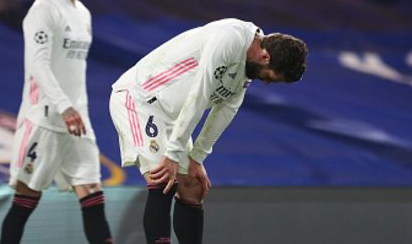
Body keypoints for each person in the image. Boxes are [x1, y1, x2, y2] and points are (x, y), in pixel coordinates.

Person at [109, 19, 307, 243]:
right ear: (265, 57)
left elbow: (227, 109)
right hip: (139, 101)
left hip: (172, 115)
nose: (267, 83)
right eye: (270, 77)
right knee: (163, 180)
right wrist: (172, 154)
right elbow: (199, 95)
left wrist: (197, 157)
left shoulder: (250, 61)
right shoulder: (229, 38)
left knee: (192, 186)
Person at [0, 0, 113, 244]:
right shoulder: (43, 9)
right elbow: (38, 64)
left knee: (93, 195)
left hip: (78, 123)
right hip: (45, 119)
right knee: (26, 200)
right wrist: (64, 106)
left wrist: (76, 109)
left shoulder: (83, 13)